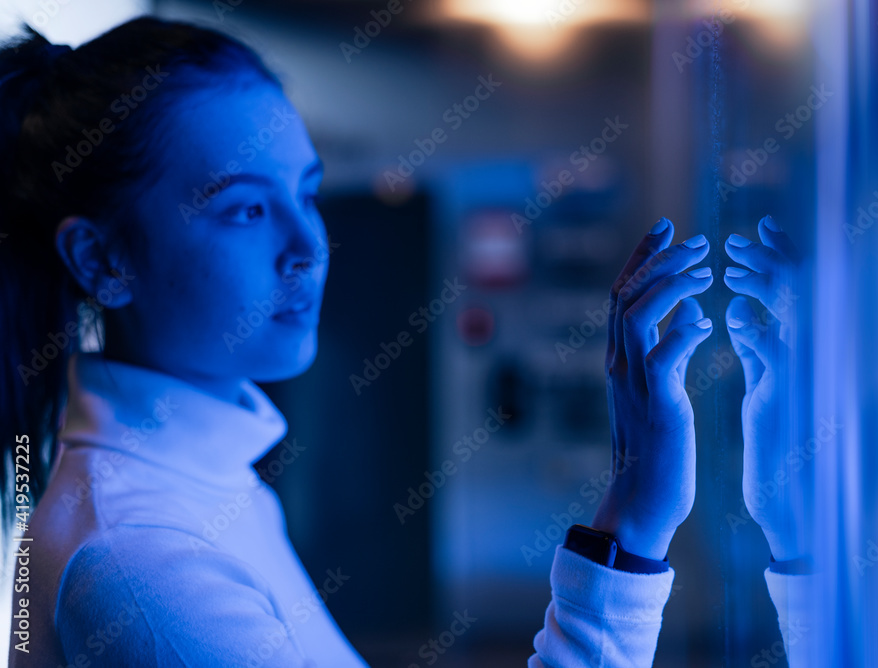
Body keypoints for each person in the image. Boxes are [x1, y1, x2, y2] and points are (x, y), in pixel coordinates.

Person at [0, 16, 812, 667]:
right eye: (246, 208)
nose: (308, 245)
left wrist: (793, 531)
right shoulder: (140, 561)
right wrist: (633, 523)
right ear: (102, 259)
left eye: (307, 195)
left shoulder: (210, 491)